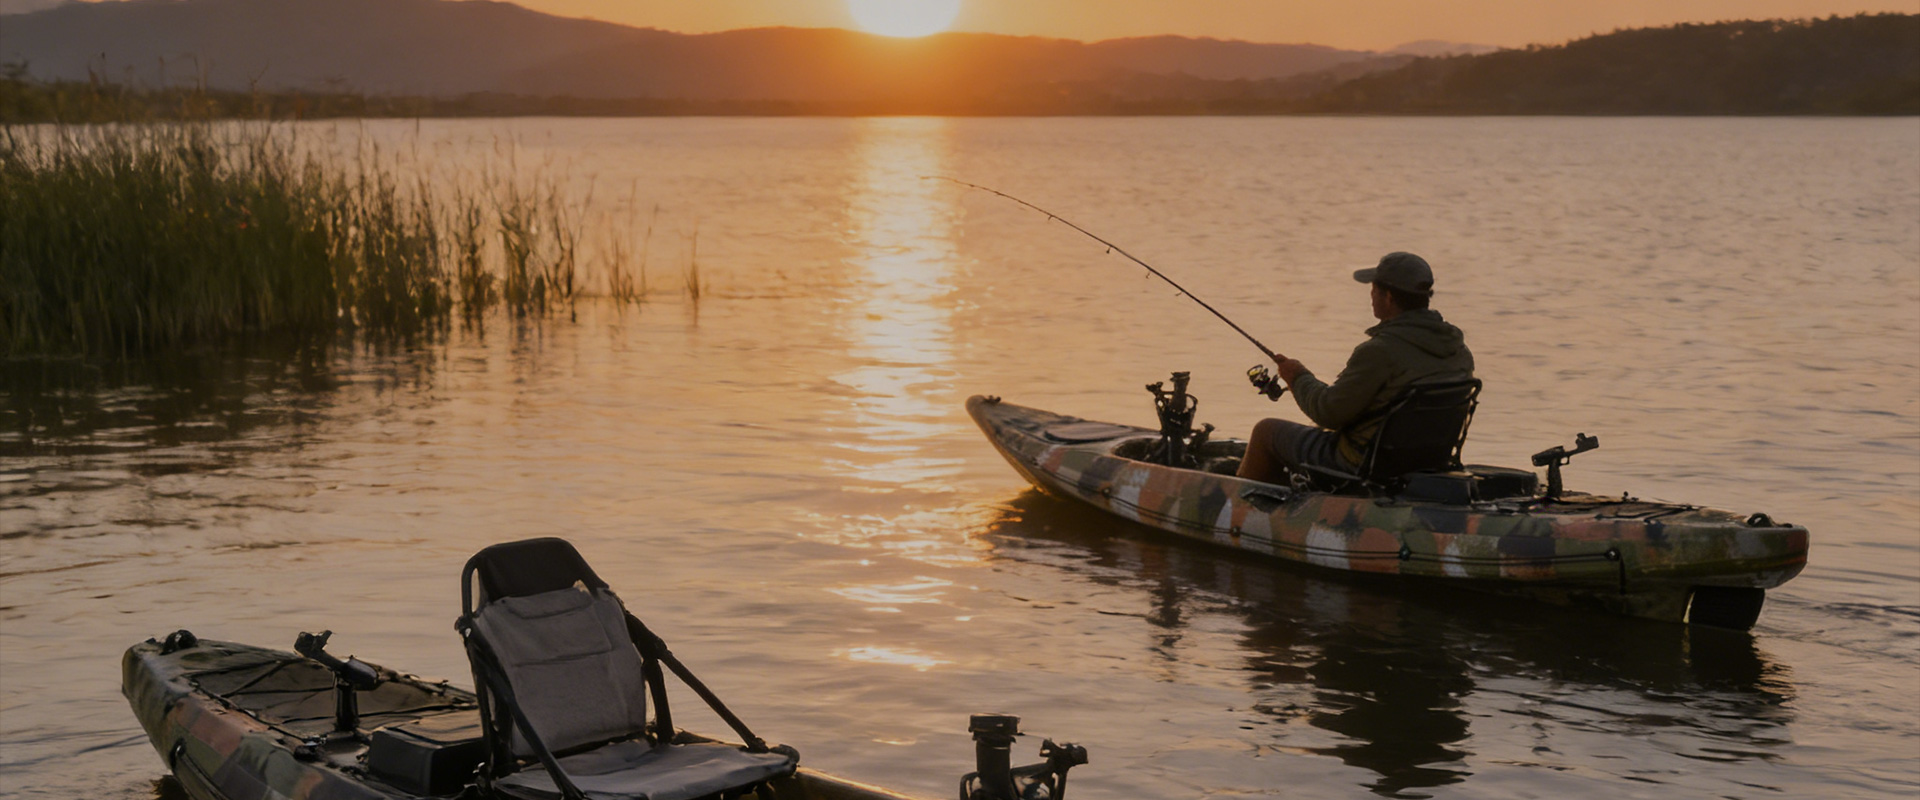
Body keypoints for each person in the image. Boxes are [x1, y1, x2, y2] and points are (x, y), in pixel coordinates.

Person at [1237, 252, 1474, 484]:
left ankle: (1241, 510)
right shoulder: (1459, 351)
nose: (1371, 296)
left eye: (1373, 289)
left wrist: (1297, 377)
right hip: (1427, 460)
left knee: (1266, 432)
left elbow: (1328, 412)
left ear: (1389, 297)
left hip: (1364, 463)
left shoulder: (1379, 351)